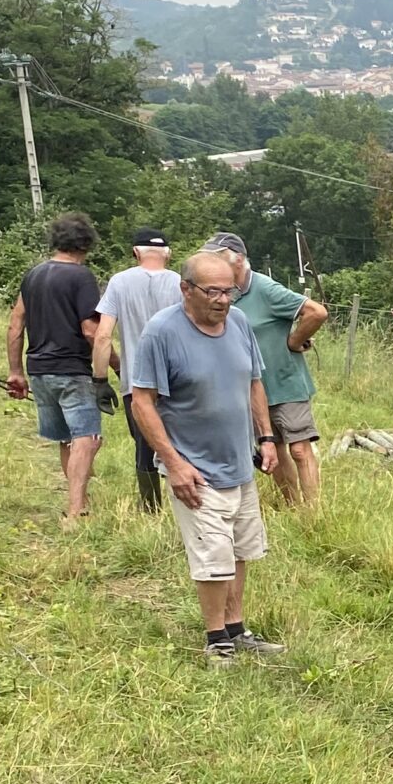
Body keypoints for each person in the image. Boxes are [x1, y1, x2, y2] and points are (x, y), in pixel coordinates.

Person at [126, 249, 287, 663]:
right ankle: (217, 640)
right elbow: (142, 402)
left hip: (239, 464)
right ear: (186, 289)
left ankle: (237, 630)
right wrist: (174, 463)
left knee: (239, 550)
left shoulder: (238, 323)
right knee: (212, 556)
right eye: (212, 291)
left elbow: (254, 382)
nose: (222, 300)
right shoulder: (161, 332)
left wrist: (266, 437)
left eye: (229, 291)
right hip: (194, 468)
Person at [203, 233, 331, 505]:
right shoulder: (221, 296)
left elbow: (316, 312)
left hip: (286, 383)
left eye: (218, 257)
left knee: (299, 448)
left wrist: (295, 341)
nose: (213, 264)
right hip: (249, 389)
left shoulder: (264, 288)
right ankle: (290, 506)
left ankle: (313, 513)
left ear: (238, 258)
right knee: (272, 448)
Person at [5, 212, 105, 524]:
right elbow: (91, 331)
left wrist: (15, 371)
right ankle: (74, 513)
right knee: (87, 437)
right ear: (86, 244)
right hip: (72, 369)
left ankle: (82, 502)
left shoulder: (33, 275)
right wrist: (114, 364)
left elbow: (15, 324)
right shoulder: (81, 277)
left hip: (38, 369)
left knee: (67, 438)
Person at [90, 228, 183, 513]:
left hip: (137, 382)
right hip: (177, 380)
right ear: (168, 254)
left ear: (135, 253)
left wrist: (100, 379)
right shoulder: (181, 283)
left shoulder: (119, 282)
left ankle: (151, 508)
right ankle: (185, 503)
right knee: (181, 442)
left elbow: (102, 335)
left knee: (145, 445)